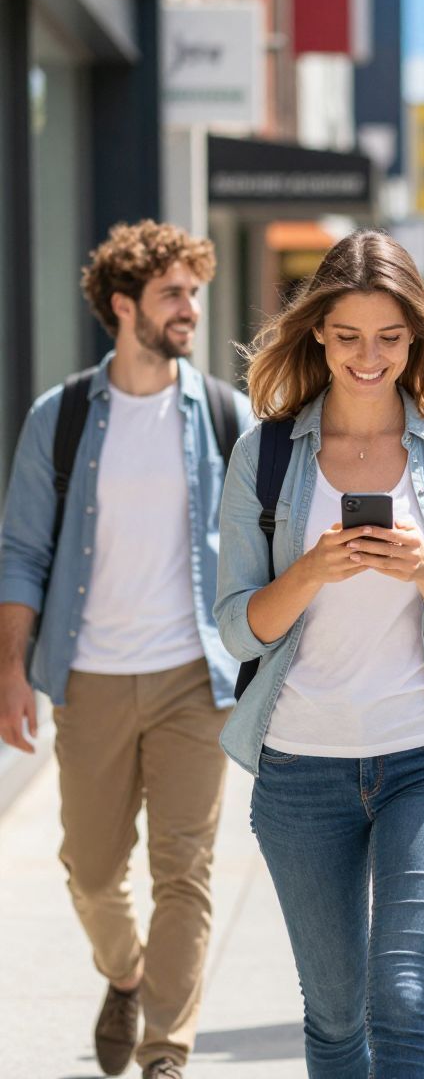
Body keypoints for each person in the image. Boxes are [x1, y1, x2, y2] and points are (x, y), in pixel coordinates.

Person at [214, 229, 424, 1078]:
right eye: (347, 337)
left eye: (388, 337)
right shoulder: (265, 455)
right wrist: (311, 569)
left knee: (407, 1002)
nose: (367, 357)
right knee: (337, 1020)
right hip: (301, 767)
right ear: (316, 335)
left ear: (417, 338)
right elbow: (237, 627)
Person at [0, 222, 251, 1079]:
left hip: (195, 676)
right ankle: (126, 973)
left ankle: (166, 1052)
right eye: (173, 295)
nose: (191, 309)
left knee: (186, 871)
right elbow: (22, 550)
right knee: (92, 869)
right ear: (122, 305)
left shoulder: (225, 414)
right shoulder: (62, 416)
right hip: (91, 677)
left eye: (193, 292)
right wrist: (11, 669)